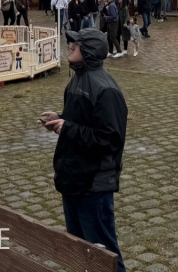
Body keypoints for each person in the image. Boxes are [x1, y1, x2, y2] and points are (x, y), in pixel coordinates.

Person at [40, 29, 127, 272]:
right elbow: (80, 121)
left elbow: (110, 139)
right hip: (73, 178)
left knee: (103, 255)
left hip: (94, 184)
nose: (70, 46)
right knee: (79, 251)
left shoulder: (106, 89)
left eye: (75, 44)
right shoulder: (76, 79)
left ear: (88, 50)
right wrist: (60, 119)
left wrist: (68, 128)